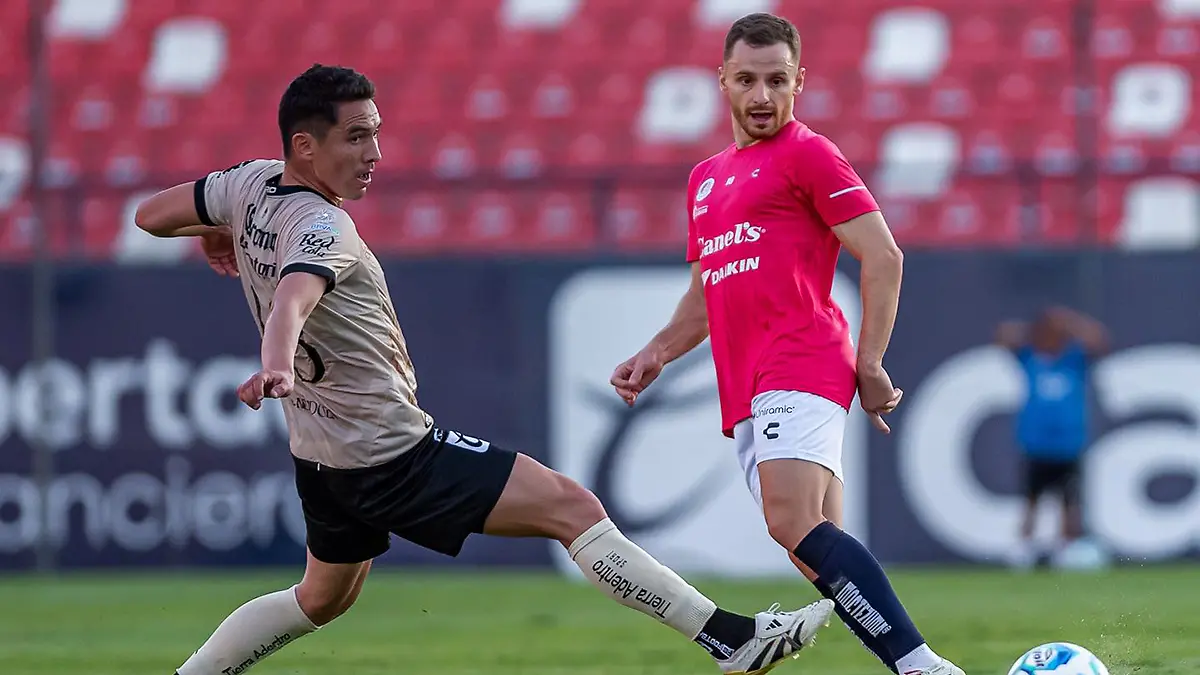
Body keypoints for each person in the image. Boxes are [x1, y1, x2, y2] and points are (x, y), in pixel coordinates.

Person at [133, 63, 834, 675]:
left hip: (320, 456)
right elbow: (293, 298)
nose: (375, 152)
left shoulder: (248, 186)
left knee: (322, 597)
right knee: (572, 507)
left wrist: (217, 228)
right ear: (305, 145)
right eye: (356, 137)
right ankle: (730, 640)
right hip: (390, 451)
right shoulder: (324, 228)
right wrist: (277, 363)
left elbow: (149, 215)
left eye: (376, 132)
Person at [610, 14, 964, 675]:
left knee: (789, 519)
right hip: (748, 381)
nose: (762, 96)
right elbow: (706, 292)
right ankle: (912, 664)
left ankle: (924, 667)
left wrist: (870, 362)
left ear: (800, 81)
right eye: (747, 80)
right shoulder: (705, 179)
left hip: (800, 359)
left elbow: (883, 256)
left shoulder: (809, 153)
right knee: (811, 547)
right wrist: (657, 349)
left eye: (777, 80)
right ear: (722, 81)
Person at [995, 306, 1109, 570]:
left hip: (1068, 445)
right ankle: (1024, 549)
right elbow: (1002, 337)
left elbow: (1099, 340)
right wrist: (1032, 329)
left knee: (1069, 503)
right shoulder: (1030, 357)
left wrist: (1072, 323)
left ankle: (1067, 550)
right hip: (1036, 444)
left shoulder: (1074, 359)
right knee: (1032, 500)